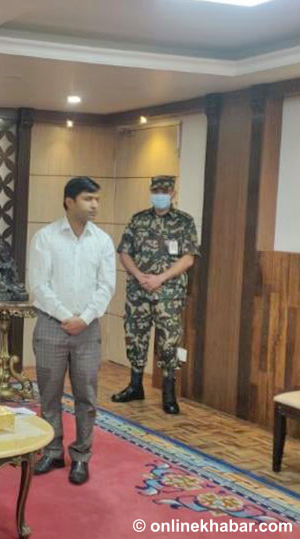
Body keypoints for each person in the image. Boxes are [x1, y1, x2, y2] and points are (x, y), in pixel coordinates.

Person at [27, 176, 115, 485]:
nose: (95, 205)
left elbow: (106, 287)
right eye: (88, 199)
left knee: (86, 397)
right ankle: (52, 450)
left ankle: (81, 456)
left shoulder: (102, 241)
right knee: (49, 394)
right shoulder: (45, 238)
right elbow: (38, 286)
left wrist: (85, 317)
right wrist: (67, 317)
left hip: (88, 330)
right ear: (69, 201)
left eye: (97, 199)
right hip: (52, 326)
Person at [112, 175, 199, 415]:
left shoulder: (184, 221)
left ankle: (169, 394)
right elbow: (124, 252)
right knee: (134, 336)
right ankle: (135, 385)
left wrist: (160, 278)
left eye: (164, 189)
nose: (159, 193)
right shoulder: (138, 220)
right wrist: (140, 276)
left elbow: (189, 258)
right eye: (155, 189)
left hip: (168, 293)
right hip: (139, 291)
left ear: (173, 193)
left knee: (169, 342)